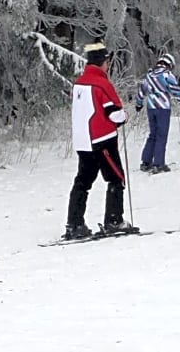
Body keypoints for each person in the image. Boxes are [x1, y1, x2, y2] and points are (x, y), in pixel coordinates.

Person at [64, 42, 131, 239]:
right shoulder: (102, 84)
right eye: (108, 62)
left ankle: (74, 224)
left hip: (82, 140)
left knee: (83, 181)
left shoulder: (79, 83)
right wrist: (124, 116)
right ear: (104, 62)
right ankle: (114, 221)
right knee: (116, 178)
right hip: (102, 139)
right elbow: (114, 114)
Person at [135, 53, 180, 173]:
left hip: (150, 108)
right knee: (161, 136)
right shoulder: (167, 75)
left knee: (153, 134)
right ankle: (159, 164)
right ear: (169, 64)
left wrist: (138, 104)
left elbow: (141, 91)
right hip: (163, 109)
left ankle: (146, 162)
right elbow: (176, 92)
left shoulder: (149, 75)